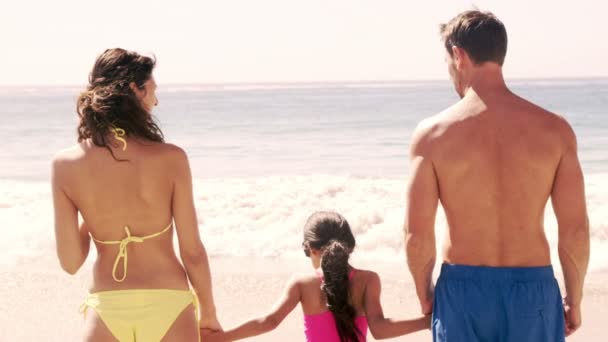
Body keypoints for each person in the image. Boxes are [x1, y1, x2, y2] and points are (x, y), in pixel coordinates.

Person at [404, 10, 590, 342]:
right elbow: (575, 232)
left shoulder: (432, 135)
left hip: (461, 294)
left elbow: (416, 236)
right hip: (533, 292)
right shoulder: (556, 131)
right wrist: (573, 301)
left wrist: (425, 295)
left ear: (458, 56)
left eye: (448, 61)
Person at [52, 48, 221, 341]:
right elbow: (192, 251)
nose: (155, 101)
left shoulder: (65, 165)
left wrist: (94, 214)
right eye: (152, 91)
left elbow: (70, 263)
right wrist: (208, 313)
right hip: (169, 302)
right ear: (135, 89)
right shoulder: (171, 158)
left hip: (107, 307)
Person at [204, 211, 430, 341]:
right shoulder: (369, 280)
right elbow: (380, 330)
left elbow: (269, 321)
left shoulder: (302, 284)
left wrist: (219, 338)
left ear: (311, 249)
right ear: (349, 246)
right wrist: (428, 320)